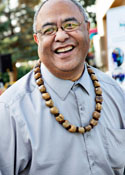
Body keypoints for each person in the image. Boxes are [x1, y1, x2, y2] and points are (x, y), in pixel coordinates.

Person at [0, 0, 125, 174]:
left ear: (87, 29)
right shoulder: (9, 110)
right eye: (48, 30)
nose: (60, 36)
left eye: (70, 24)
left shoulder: (115, 92)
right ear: (37, 39)